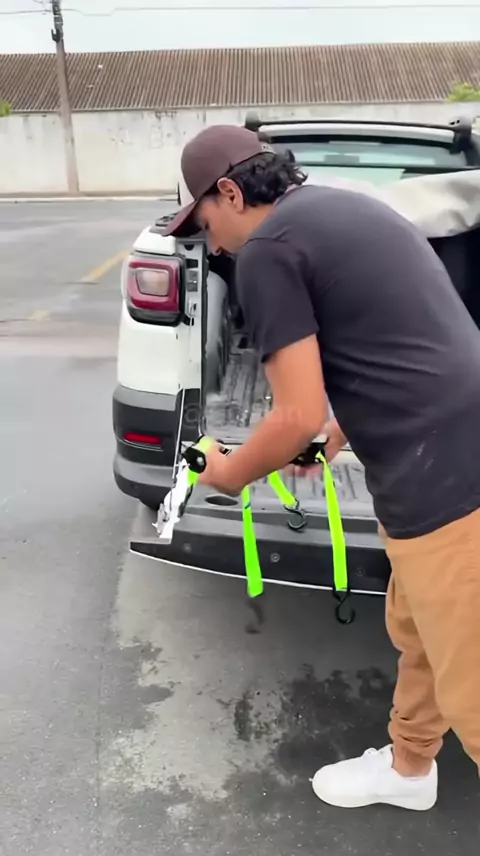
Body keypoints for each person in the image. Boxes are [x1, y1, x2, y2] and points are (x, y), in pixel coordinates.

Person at [163, 124, 480, 810]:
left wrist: (227, 472)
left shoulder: (269, 250)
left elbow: (293, 416)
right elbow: (403, 340)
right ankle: (409, 768)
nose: (210, 244)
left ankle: (413, 764)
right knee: (421, 632)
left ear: (229, 192)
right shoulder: (345, 207)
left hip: (449, 481)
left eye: (205, 222)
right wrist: (340, 430)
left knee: (473, 688)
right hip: (445, 450)